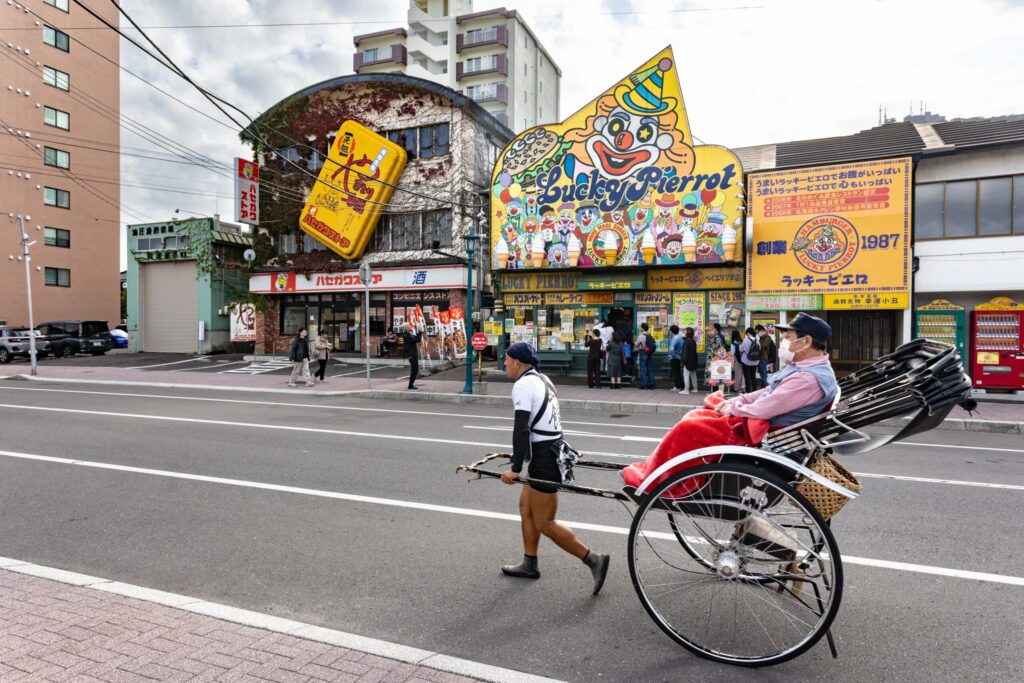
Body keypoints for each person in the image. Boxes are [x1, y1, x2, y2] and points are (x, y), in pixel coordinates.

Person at [623, 313, 837, 492]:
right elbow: (769, 392)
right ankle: (655, 470)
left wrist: (733, 407)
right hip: (763, 425)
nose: (783, 342)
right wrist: (738, 399)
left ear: (806, 341)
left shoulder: (807, 378)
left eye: (788, 337)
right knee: (697, 416)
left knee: (690, 426)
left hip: (762, 434)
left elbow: (767, 406)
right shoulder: (808, 368)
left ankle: (660, 481)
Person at [499, 342, 610, 595]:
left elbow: (521, 428)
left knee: (544, 522)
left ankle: (593, 559)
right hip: (548, 451)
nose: (504, 363)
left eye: (506, 359)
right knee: (525, 509)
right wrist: (526, 459)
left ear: (517, 362)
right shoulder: (543, 379)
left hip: (545, 457)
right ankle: (529, 563)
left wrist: (516, 468)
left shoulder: (523, 385)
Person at [739, 327, 760, 392]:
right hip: (755, 361)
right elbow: (760, 349)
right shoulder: (757, 340)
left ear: (748, 333)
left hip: (746, 361)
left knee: (747, 377)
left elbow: (741, 349)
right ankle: (754, 390)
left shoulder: (746, 340)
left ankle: (748, 391)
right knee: (753, 376)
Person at [635, 322, 656, 389]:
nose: (640, 328)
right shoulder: (650, 335)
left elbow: (636, 344)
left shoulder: (641, 336)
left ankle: (644, 384)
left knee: (643, 369)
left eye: (640, 327)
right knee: (650, 368)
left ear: (642, 328)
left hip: (643, 352)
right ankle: (651, 384)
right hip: (649, 353)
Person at [756, 324, 777, 389]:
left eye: (757, 332)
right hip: (761, 357)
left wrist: (757, 341)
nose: (757, 333)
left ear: (761, 330)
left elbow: (763, 346)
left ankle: (768, 388)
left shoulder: (767, 338)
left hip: (763, 357)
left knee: (764, 374)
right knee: (762, 374)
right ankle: (763, 388)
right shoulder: (762, 338)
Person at [402, 322, 422, 390]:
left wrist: (418, 332)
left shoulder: (409, 334)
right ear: (406, 328)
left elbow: (416, 337)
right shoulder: (406, 336)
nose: (411, 326)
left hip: (413, 354)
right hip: (411, 355)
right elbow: (417, 340)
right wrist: (420, 332)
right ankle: (410, 386)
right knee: (414, 370)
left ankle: (411, 385)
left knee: (415, 369)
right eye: (409, 326)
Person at [681, 327, 698, 394]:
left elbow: (685, 353)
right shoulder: (693, 340)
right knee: (693, 374)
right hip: (693, 360)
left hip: (688, 361)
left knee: (686, 375)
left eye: (685, 330)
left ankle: (686, 389)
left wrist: (683, 362)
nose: (684, 331)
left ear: (687, 332)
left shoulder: (686, 341)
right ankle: (695, 388)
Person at [667, 324, 684, 391]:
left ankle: (677, 387)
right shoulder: (680, 337)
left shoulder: (674, 338)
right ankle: (681, 386)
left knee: (675, 373)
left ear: (671, 331)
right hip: (679, 356)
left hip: (675, 357)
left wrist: (672, 355)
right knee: (678, 372)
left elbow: (671, 349)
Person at [729, 329, 744, 393]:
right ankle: (743, 386)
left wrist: (728, 353)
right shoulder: (742, 341)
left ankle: (737, 388)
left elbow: (732, 353)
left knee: (737, 374)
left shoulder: (733, 344)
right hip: (744, 360)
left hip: (737, 360)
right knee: (743, 374)